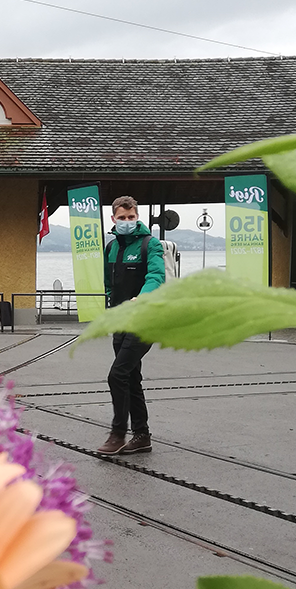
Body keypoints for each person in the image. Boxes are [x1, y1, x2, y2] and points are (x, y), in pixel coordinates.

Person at [96, 195, 165, 456]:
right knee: (131, 378)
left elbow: (156, 276)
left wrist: (142, 297)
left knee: (117, 375)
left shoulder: (150, 244)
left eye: (131, 217)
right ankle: (142, 435)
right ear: (113, 219)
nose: (127, 221)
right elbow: (109, 283)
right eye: (122, 217)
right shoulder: (111, 247)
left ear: (137, 217)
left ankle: (117, 434)